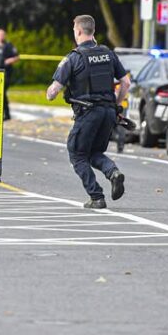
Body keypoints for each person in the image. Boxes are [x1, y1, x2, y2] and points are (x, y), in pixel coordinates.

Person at [46, 15, 131, 209]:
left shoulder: (74, 57)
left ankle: (96, 196)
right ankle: (113, 172)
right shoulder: (108, 53)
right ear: (93, 31)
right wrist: (116, 105)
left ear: (78, 31)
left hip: (88, 113)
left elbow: (52, 92)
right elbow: (125, 83)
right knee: (94, 152)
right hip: (108, 112)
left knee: (76, 153)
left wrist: (51, 91)